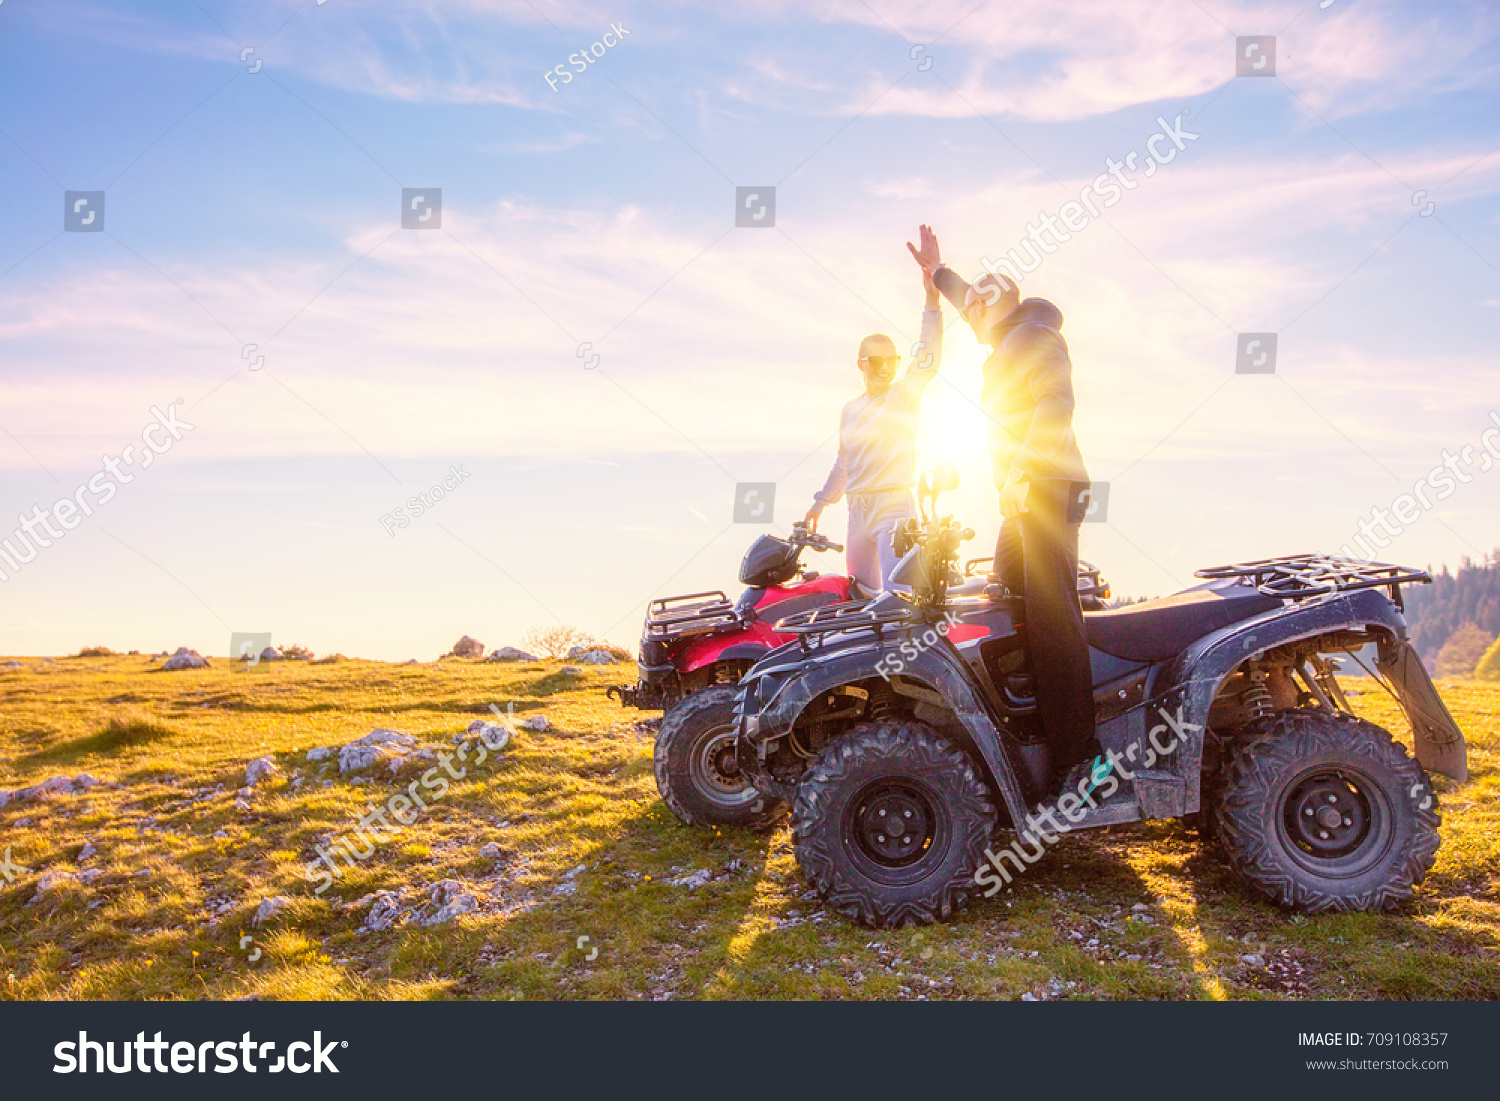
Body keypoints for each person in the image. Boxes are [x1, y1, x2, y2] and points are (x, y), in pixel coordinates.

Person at [906, 225, 1100, 791]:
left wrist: (1021, 471)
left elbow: (1056, 403)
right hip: (1026, 498)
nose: (969, 315)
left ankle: (1081, 759)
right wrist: (937, 273)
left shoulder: (1034, 336)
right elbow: (971, 295)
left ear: (995, 308)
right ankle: (1027, 726)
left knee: (1050, 616)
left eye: (974, 308)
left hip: (1047, 489)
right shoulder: (1007, 334)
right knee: (1003, 594)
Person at [805, 256, 944, 592]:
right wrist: (820, 503)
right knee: (858, 596)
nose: (886, 367)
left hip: (894, 506)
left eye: (893, 360)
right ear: (860, 364)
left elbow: (928, 357)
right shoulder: (850, 409)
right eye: (876, 361)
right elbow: (844, 463)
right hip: (857, 511)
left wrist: (931, 301)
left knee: (900, 597)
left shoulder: (902, 396)